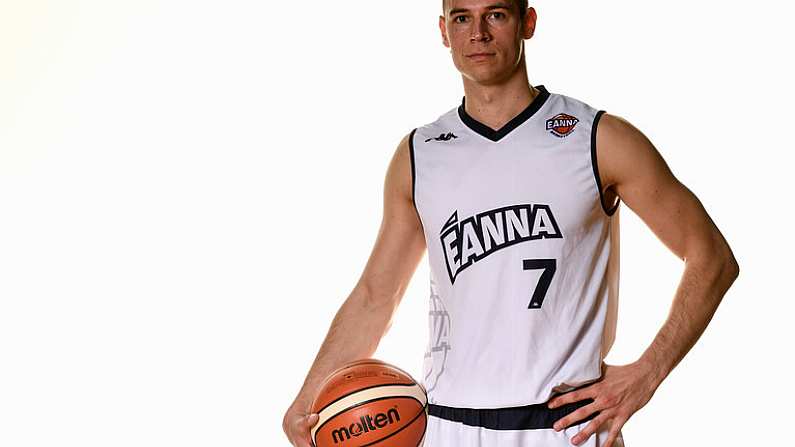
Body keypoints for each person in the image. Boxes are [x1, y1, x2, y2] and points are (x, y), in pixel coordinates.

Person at [282, 1, 739, 446]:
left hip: (565, 426)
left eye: (495, 14)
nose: (477, 33)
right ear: (444, 31)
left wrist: (647, 374)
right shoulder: (419, 154)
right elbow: (376, 295)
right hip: (447, 426)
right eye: (462, 17)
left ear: (528, 22)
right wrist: (308, 395)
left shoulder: (597, 138)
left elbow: (712, 258)